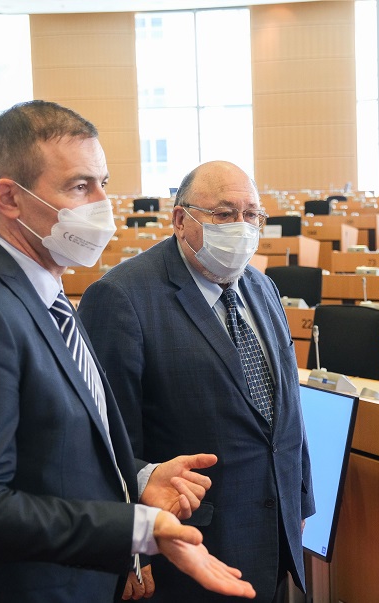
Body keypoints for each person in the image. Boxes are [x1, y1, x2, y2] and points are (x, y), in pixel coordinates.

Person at [0, 101, 256, 602]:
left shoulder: (50, 299)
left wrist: (139, 479)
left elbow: (59, 452)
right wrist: (137, 529)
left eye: (102, 183)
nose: (102, 203)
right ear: (10, 198)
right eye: (79, 187)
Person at [78, 160, 315, 603]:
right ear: (180, 219)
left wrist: (299, 501)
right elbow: (107, 441)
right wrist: (127, 551)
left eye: (252, 214)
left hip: (275, 534)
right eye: (224, 214)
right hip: (186, 549)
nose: (241, 226)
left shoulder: (262, 287)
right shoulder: (121, 297)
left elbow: (287, 409)